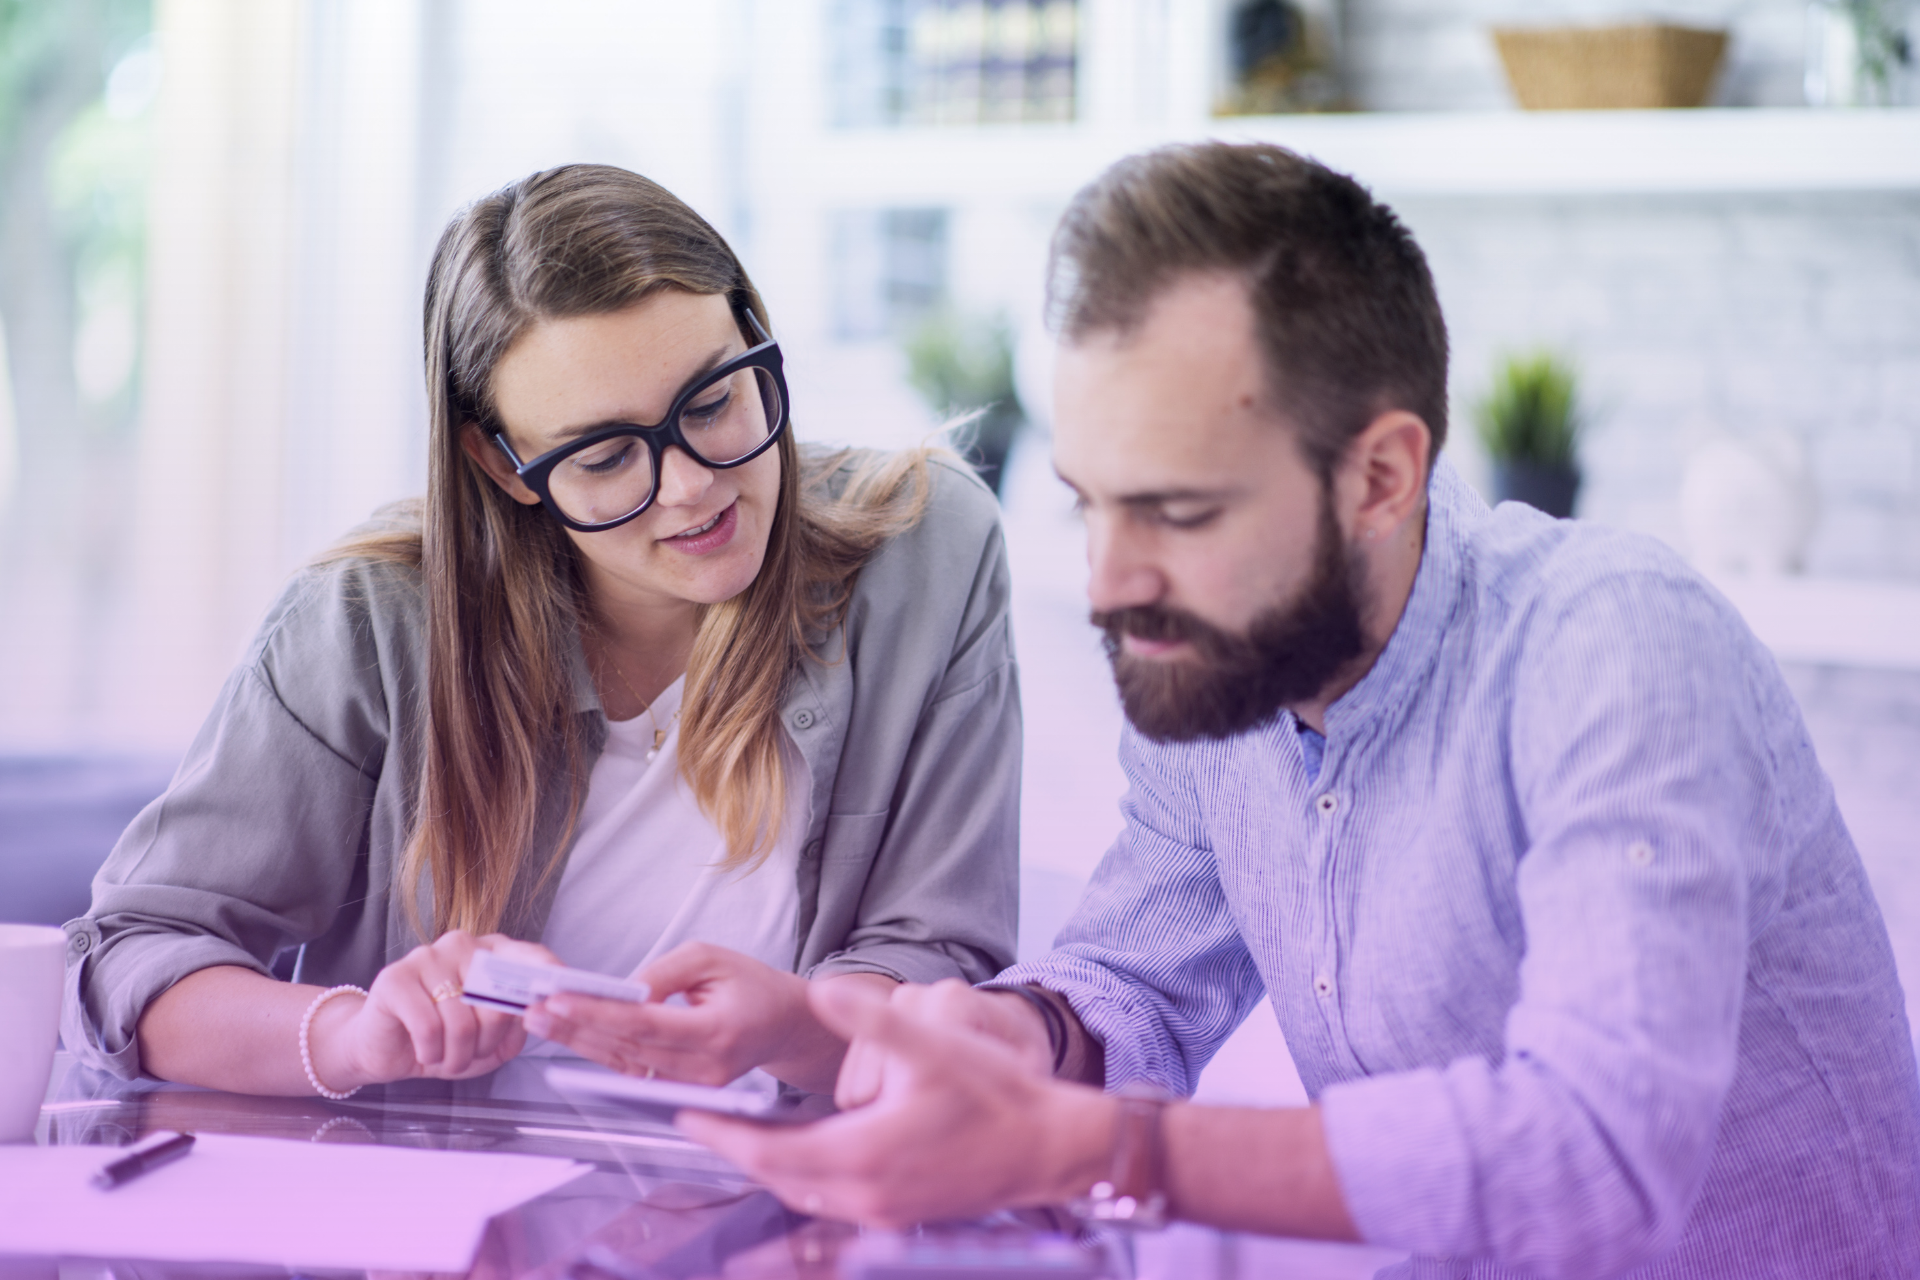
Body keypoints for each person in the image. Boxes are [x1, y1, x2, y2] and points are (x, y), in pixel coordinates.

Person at [684, 142, 1920, 1278]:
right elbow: (1130, 983)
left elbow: (1593, 1150)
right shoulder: (1223, 679)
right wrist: (992, 1041)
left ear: (1382, 475)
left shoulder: (1615, 644)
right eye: (1089, 504)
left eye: (1178, 513)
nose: (1111, 585)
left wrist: (1089, 1145)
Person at [62, 164, 1019, 1100]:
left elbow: (937, 952)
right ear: (504, 463)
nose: (693, 486)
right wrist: (354, 1035)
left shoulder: (928, 551)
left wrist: (803, 1031)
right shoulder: (371, 623)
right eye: (605, 456)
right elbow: (126, 959)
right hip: (448, 1231)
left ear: (756, 335)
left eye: (716, 400)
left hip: (783, 1216)